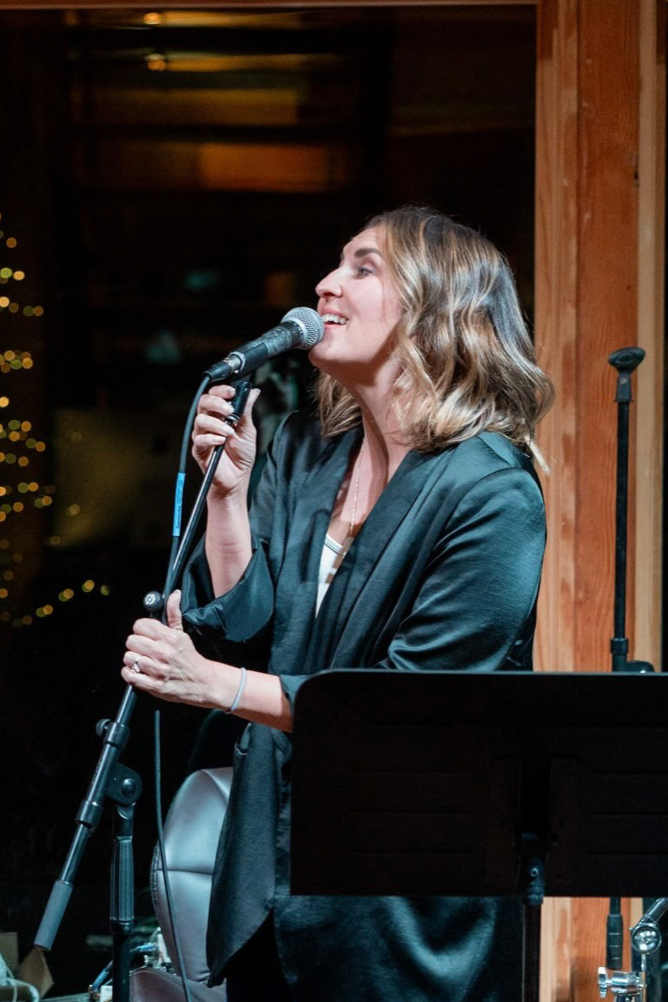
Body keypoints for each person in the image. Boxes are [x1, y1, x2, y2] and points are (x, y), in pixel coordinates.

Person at [122, 205, 554, 1002]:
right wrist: (228, 495)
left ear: (434, 308)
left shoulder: (492, 493)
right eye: (335, 263)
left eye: (363, 267)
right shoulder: (304, 450)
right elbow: (251, 633)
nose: (325, 284)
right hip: (272, 880)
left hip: (403, 909)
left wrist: (212, 685)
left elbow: (404, 706)